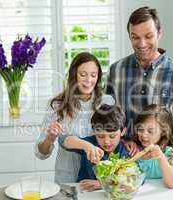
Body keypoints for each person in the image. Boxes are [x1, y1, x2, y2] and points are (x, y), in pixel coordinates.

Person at [105, 6, 173, 168]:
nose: (142, 44)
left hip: (164, 162)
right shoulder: (116, 71)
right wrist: (121, 139)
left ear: (159, 33)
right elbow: (107, 114)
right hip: (125, 160)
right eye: (135, 37)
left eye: (148, 36)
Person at [34, 52, 114, 183]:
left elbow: (114, 139)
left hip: (98, 177)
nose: (88, 80)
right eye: (83, 75)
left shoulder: (107, 102)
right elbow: (41, 154)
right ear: (73, 75)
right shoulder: (57, 105)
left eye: (93, 75)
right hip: (67, 178)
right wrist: (50, 138)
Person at [58, 104, 129, 191]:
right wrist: (86, 145)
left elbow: (137, 178)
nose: (106, 141)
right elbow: (62, 140)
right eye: (100, 136)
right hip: (84, 193)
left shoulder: (126, 150)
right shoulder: (90, 143)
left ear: (123, 131)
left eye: (112, 136)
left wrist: (103, 183)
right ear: (94, 131)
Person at [133, 104, 173, 189]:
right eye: (140, 129)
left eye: (150, 131)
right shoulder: (133, 151)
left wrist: (161, 157)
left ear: (163, 132)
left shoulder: (170, 153)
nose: (144, 135)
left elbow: (172, 184)